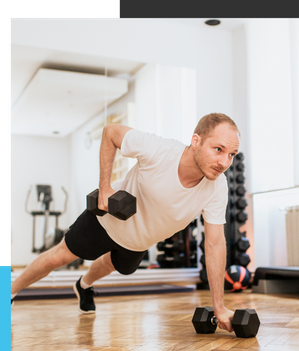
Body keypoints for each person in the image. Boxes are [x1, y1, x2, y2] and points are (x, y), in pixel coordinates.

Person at [11, 113, 241, 333]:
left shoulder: (217, 187)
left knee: (113, 265)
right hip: (107, 222)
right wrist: (104, 188)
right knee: (58, 256)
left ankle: (83, 285)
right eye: (218, 149)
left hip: (138, 242)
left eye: (232, 154)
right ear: (196, 141)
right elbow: (111, 132)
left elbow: (214, 244)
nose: (224, 162)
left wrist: (219, 307)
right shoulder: (160, 150)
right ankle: (8, 293)